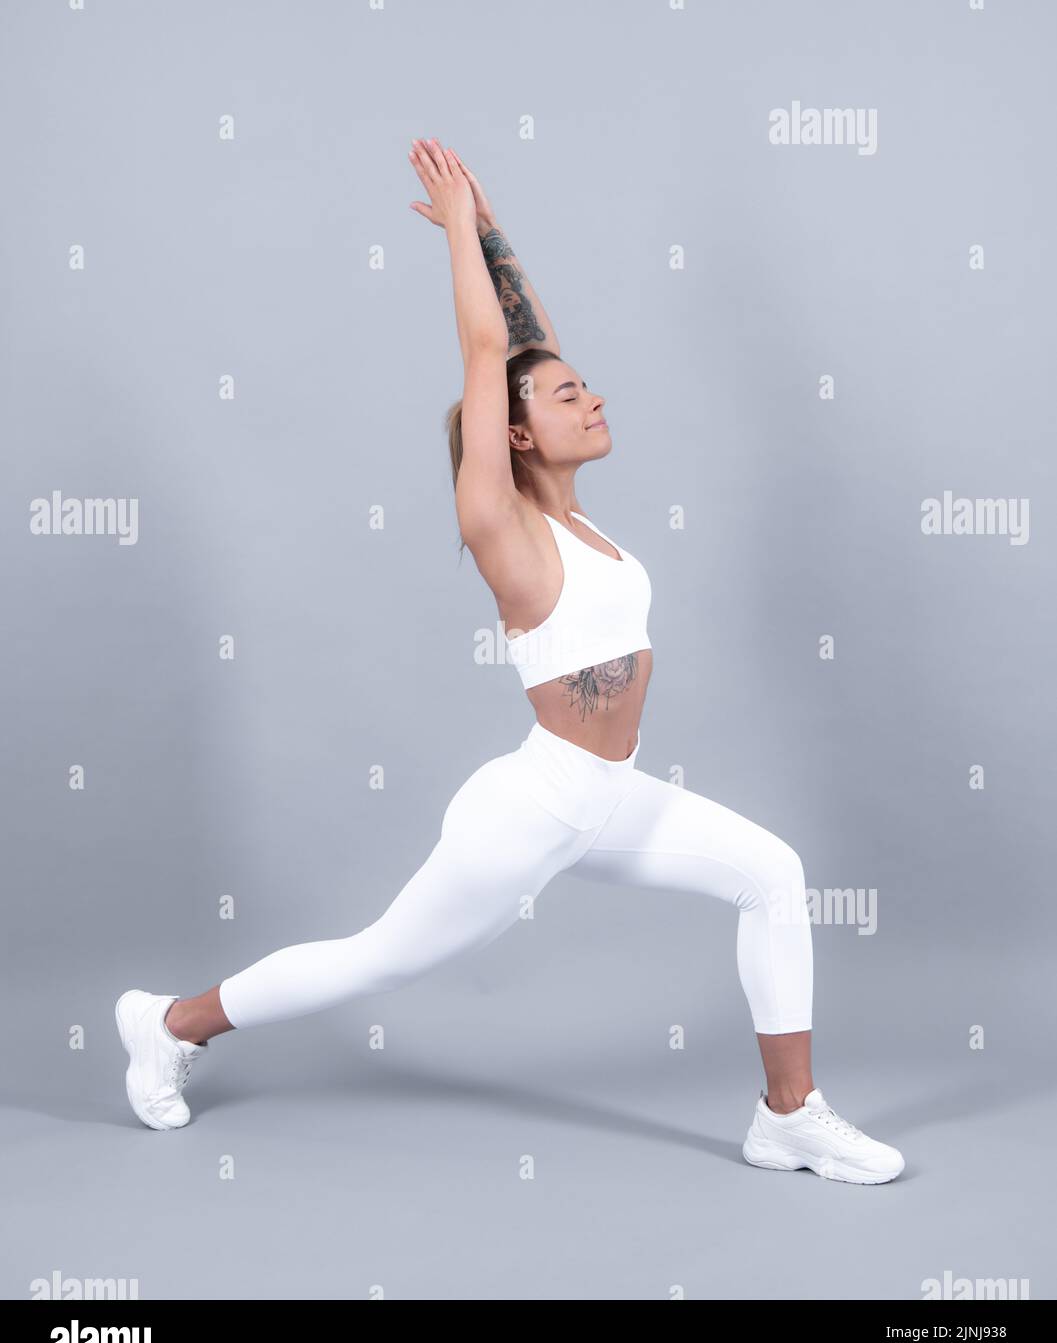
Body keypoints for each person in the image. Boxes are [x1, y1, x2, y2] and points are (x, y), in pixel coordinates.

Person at [116, 138, 904, 1185]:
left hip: (611, 797)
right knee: (378, 957)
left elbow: (524, 341)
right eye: (568, 396)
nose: (593, 399)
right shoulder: (500, 521)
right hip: (531, 806)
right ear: (517, 437)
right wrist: (454, 235)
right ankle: (169, 1024)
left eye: (588, 387)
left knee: (773, 873)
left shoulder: (579, 525)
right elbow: (492, 353)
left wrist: (490, 229)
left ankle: (789, 1115)